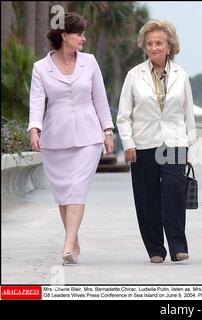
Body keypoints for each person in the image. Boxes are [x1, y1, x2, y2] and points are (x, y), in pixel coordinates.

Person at [28, 12, 114, 265]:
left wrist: (107, 131)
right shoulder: (40, 67)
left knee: (77, 188)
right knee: (64, 193)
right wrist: (34, 129)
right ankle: (73, 239)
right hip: (55, 138)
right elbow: (36, 101)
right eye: (79, 34)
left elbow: (100, 98)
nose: (84, 39)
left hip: (89, 137)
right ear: (64, 36)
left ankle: (67, 243)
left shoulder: (90, 62)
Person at [117, 20, 196, 264]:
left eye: (159, 43)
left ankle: (178, 246)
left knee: (173, 192)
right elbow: (123, 115)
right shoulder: (134, 75)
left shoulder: (181, 75)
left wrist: (188, 148)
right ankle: (155, 249)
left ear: (169, 46)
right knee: (146, 196)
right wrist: (128, 143)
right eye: (149, 44)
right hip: (142, 143)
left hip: (174, 143)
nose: (154, 48)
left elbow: (188, 115)